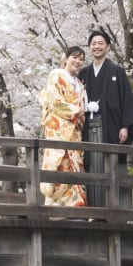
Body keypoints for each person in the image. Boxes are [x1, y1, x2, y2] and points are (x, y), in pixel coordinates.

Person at [78, 29, 133, 207]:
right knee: (91, 163)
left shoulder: (117, 71)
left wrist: (125, 126)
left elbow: (126, 100)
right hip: (88, 128)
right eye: (93, 44)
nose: (97, 47)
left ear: (108, 46)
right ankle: (93, 208)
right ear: (90, 47)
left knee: (113, 164)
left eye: (100, 43)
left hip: (112, 128)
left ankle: (118, 208)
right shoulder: (84, 73)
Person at [37, 46, 88, 207]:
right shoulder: (56, 75)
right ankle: (56, 206)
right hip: (59, 127)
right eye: (75, 57)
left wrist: (83, 110)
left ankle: (75, 205)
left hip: (74, 130)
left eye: (81, 59)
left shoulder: (79, 82)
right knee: (59, 164)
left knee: (75, 165)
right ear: (66, 58)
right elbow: (54, 101)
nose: (78, 62)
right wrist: (77, 110)